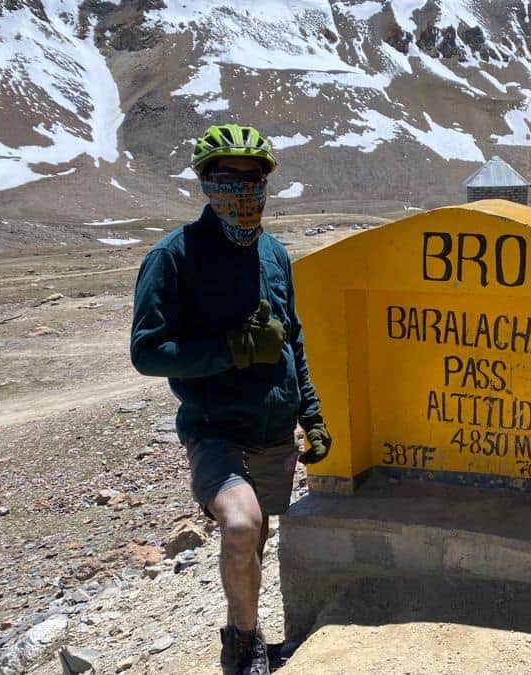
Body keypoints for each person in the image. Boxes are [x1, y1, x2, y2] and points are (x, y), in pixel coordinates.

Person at [130, 124, 332, 675]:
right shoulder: (174, 257)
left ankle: (243, 632)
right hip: (214, 426)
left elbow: (293, 340)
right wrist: (232, 350)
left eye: (254, 177)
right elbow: (147, 351)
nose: (243, 189)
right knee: (240, 525)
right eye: (228, 177)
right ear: (206, 181)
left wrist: (311, 414)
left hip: (274, 427)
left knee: (254, 537)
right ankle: (245, 649)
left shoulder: (274, 254)